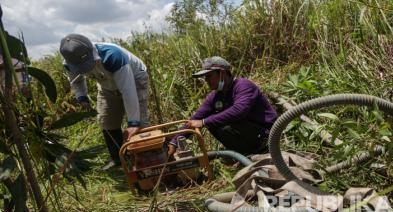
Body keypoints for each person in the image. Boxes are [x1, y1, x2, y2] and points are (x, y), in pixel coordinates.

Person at [60, 34, 151, 170]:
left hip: (135, 80)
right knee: (106, 120)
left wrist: (133, 122)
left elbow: (128, 90)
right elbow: (76, 81)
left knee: (140, 123)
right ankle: (119, 158)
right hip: (106, 85)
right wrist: (82, 97)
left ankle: (147, 158)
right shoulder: (69, 63)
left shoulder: (112, 55)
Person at [168, 56, 278, 156]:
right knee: (214, 125)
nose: (206, 80)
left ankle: (258, 150)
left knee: (217, 123)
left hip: (267, 133)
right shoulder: (215, 96)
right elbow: (195, 120)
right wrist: (174, 142)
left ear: (222, 73)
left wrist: (204, 122)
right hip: (248, 134)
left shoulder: (243, 86)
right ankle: (243, 154)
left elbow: (239, 111)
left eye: (209, 76)